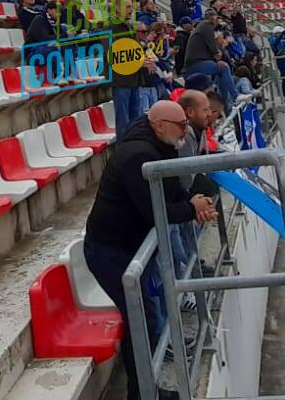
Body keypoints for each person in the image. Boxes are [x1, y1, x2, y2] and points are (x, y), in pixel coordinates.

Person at [83, 100, 217, 400]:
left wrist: (192, 204)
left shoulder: (159, 144)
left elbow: (170, 191)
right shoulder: (138, 155)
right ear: (159, 125)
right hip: (108, 251)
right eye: (181, 125)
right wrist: (189, 208)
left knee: (145, 316)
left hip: (126, 246)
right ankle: (143, 394)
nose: (186, 130)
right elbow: (154, 209)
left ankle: (146, 391)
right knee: (142, 316)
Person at [183, 25, 238, 106]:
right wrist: (218, 60)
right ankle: (235, 96)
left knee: (222, 76)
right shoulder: (208, 44)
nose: (223, 40)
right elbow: (216, 57)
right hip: (194, 67)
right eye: (221, 37)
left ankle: (224, 105)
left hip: (199, 67)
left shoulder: (213, 46)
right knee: (224, 68)